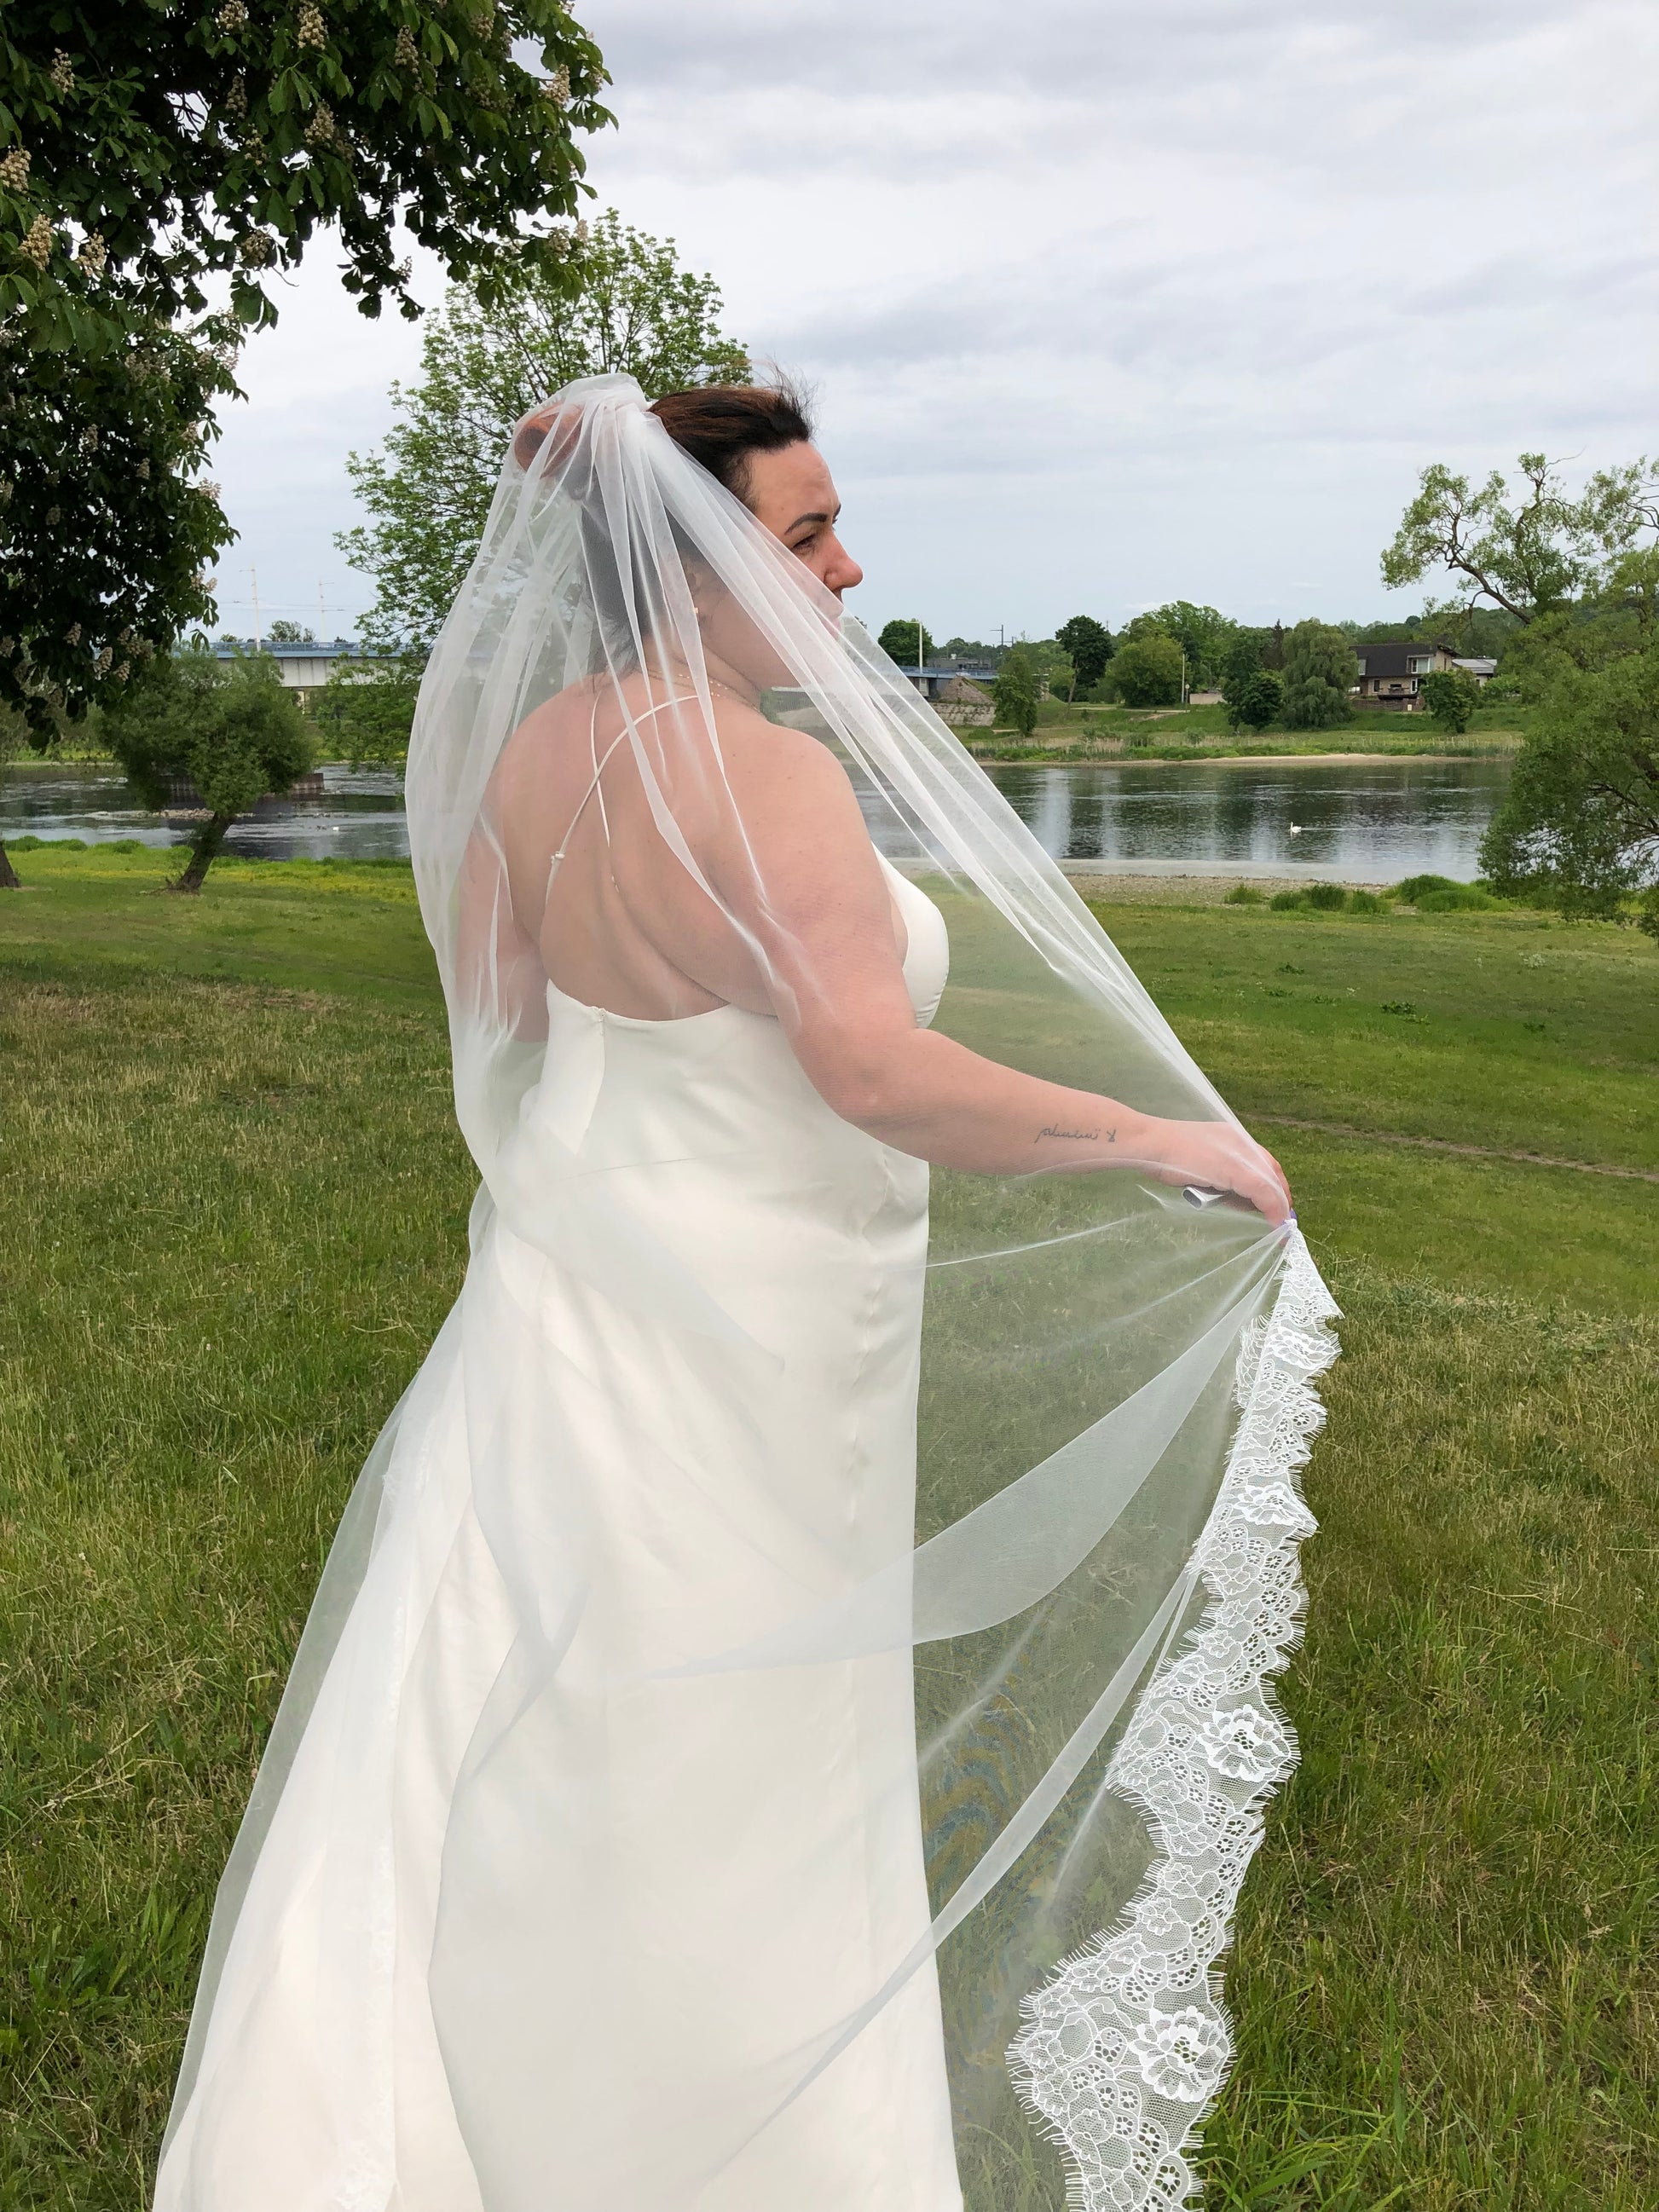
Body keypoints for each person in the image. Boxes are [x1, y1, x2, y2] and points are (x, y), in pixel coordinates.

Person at [153, 378, 1333, 2212]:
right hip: (759, 1322)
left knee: (505, 1685)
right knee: (747, 1725)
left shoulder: (535, 756)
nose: (848, 570)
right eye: (805, 535)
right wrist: (1153, 1135)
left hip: (570, 1285)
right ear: (690, 568)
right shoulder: (774, 777)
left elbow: (516, 1017)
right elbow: (870, 1071)